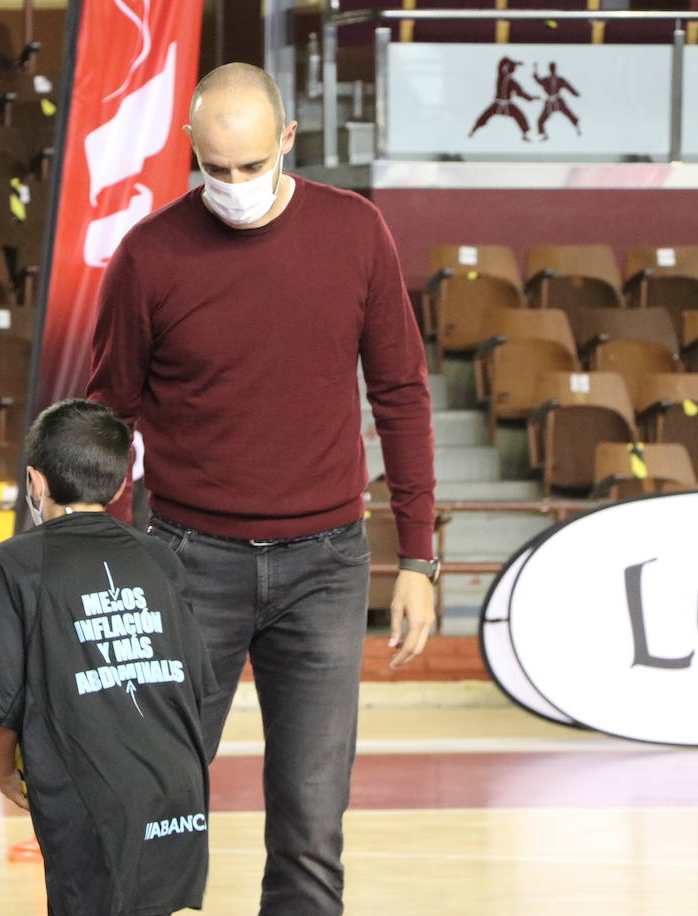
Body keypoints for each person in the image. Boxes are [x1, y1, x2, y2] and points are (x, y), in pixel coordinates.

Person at [88, 63, 438, 914]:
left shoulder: (357, 233)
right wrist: (83, 555)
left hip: (325, 568)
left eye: (251, 166)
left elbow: (401, 392)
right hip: (184, 562)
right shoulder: (150, 254)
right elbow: (109, 410)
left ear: (288, 140)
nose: (235, 186)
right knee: (157, 805)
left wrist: (419, 559)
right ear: (191, 152)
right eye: (216, 169)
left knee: (313, 829)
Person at [0, 398, 218, 916]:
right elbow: (198, 680)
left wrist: (2, 771)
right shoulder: (158, 556)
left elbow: (1, 699)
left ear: (35, 483)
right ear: (121, 484)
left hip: (86, 791)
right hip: (177, 787)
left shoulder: (11, 564)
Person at [468, 56, 535, 141]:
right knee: (484, 116)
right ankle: (473, 131)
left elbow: (520, 93)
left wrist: (531, 98)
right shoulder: (503, 77)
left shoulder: (504, 77)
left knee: (519, 116)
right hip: (497, 103)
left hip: (505, 104)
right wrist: (515, 61)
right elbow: (520, 94)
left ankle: (525, 135)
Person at [532, 61, 581, 141]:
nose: (553, 70)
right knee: (541, 119)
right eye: (552, 69)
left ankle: (577, 128)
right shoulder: (548, 79)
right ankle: (543, 135)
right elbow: (538, 80)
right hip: (550, 102)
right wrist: (535, 68)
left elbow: (568, 86)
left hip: (558, 101)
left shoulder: (558, 79)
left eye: (553, 69)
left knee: (568, 113)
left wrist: (575, 93)